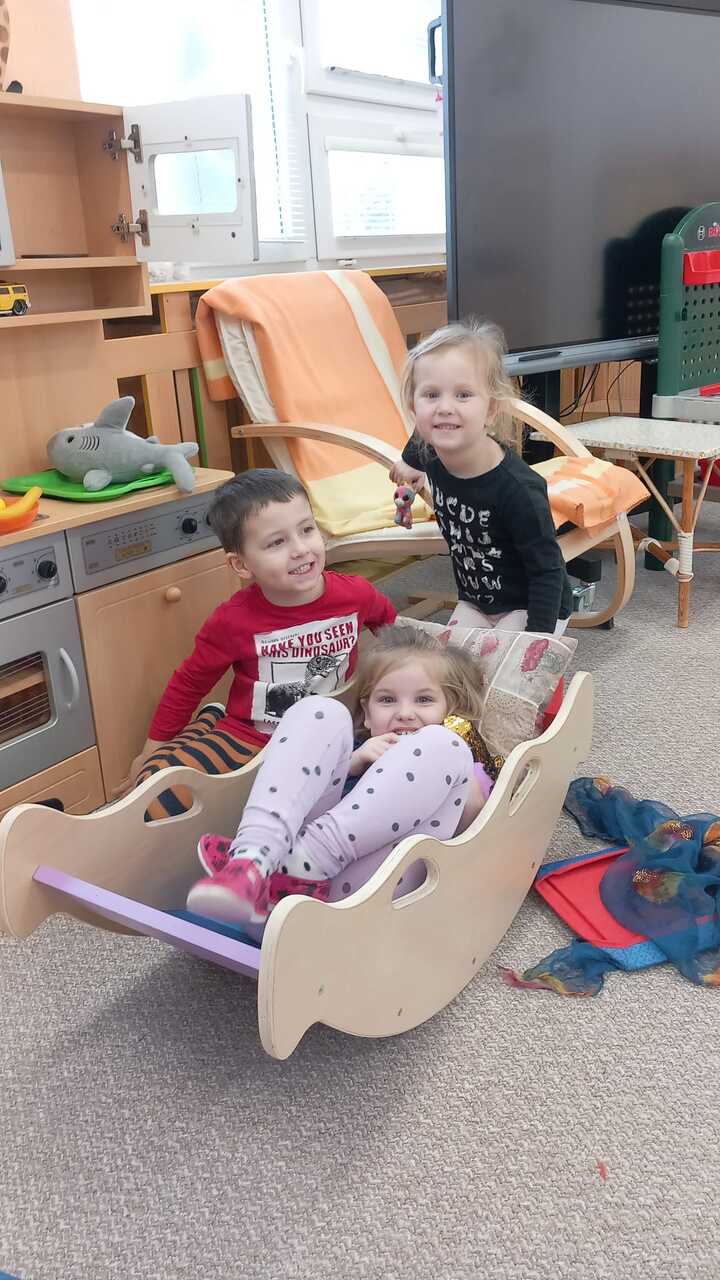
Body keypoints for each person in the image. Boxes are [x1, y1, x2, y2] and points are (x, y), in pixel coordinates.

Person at [127, 469, 396, 819]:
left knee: (384, 785)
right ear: (241, 565)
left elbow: (395, 636)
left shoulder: (356, 594)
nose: (300, 549)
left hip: (333, 733)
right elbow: (190, 683)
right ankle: (210, 722)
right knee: (156, 792)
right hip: (251, 739)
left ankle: (209, 722)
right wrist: (154, 747)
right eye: (276, 543)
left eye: (307, 529)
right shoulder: (232, 620)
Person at [186, 625, 489, 927]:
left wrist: (450, 768)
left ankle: (301, 866)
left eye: (424, 700)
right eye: (387, 700)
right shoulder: (352, 749)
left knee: (445, 746)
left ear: (451, 712)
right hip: (270, 901)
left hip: (360, 903)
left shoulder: (457, 761)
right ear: (367, 712)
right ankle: (251, 859)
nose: (404, 713)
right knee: (319, 710)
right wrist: (352, 763)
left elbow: (474, 825)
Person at [390, 320, 572, 636]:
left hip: (532, 606)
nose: (444, 408)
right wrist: (409, 462)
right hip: (477, 602)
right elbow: (422, 437)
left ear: (491, 410)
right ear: (413, 407)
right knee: (449, 664)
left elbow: (548, 573)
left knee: (504, 665)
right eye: (431, 395)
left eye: (463, 395)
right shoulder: (431, 450)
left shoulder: (519, 491)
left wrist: (533, 643)